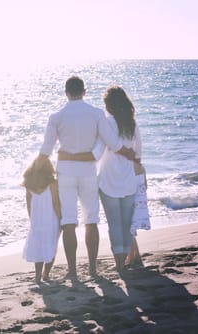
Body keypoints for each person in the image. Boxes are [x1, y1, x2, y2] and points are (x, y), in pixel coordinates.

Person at [38, 77, 135, 279]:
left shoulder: (56, 117)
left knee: (69, 222)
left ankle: (72, 271)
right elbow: (112, 143)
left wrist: (37, 169)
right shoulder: (96, 114)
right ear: (84, 91)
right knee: (91, 220)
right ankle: (92, 269)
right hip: (89, 172)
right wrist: (128, 153)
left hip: (65, 172)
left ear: (66, 93)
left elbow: (46, 149)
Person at [59, 85, 142, 276]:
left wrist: (72, 157)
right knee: (126, 223)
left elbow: (97, 152)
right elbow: (139, 153)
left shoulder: (106, 123)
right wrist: (139, 173)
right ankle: (130, 258)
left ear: (108, 105)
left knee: (114, 224)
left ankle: (120, 264)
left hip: (108, 181)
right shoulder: (133, 124)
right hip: (128, 180)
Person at [22, 156, 62, 285]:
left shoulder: (29, 185)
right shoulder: (52, 183)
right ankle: (46, 274)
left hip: (37, 220)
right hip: (51, 219)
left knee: (39, 248)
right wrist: (61, 218)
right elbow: (56, 203)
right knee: (51, 246)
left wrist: (32, 220)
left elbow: (28, 205)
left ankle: (37, 276)